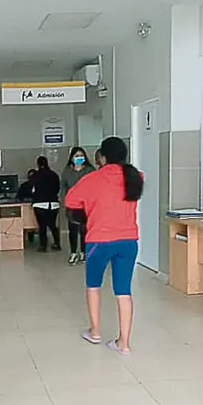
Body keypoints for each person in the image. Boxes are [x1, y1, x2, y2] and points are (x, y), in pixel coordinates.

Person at [65, 137, 144, 355]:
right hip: (128, 241)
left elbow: (70, 200)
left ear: (102, 156)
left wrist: (90, 205)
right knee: (124, 291)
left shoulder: (92, 179)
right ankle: (124, 343)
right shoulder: (135, 176)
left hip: (98, 241)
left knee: (94, 285)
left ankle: (95, 332)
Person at [60, 147, 96, 265]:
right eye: (76, 156)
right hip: (72, 205)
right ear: (72, 158)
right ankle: (73, 252)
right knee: (73, 230)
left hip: (86, 205)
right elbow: (63, 188)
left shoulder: (90, 171)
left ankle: (83, 252)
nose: (79, 158)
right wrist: (64, 202)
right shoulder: (67, 172)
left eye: (81, 155)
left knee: (84, 230)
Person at [29, 156, 62, 253]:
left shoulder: (35, 175)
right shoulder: (54, 175)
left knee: (42, 226)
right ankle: (57, 244)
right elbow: (57, 189)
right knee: (52, 225)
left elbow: (32, 190)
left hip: (40, 204)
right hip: (53, 203)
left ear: (38, 164)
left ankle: (43, 246)